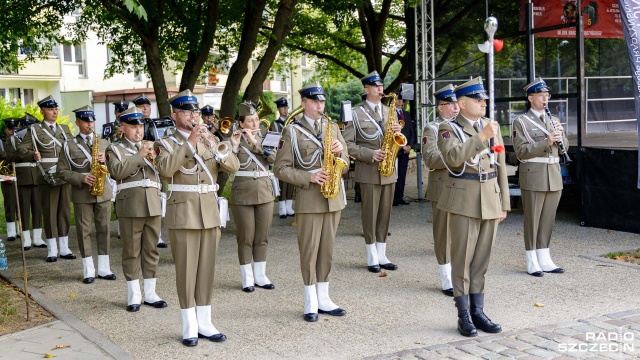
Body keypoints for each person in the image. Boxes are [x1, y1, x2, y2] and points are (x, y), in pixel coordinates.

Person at [155, 89, 240, 346]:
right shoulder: (165, 142)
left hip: (209, 212)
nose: (193, 115)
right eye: (186, 111)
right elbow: (167, 170)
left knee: (206, 270)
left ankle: (205, 321)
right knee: (186, 271)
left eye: (195, 111)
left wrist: (219, 147)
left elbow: (233, 167)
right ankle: (189, 324)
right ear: (174, 115)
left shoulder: (209, 139)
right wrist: (190, 142)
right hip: (184, 212)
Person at [437, 77, 510, 337]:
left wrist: (504, 203)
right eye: (477, 99)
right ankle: (463, 314)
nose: (483, 103)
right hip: (464, 199)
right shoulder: (448, 129)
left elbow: (499, 164)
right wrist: (481, 137)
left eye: (484, 99)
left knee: (481, 260)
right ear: (462, 103)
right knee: (462, 260)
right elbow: (454, 159)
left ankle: (478, 311)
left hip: (490, 197)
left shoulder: (492, 127)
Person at [274, 83, 349, 322]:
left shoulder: (332, 126)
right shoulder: (292, 131)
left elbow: (347, 160)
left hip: (333, 197)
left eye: (322, 102)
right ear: (304, 103)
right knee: (309, 250)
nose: (320, 106)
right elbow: (281, 169)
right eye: (315, 102)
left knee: (327, 249)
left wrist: (340, 153)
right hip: (309, 198)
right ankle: (310, 299)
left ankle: (324, 297)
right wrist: (309, 176)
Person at [106, 106, 167, 312]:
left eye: (140, 125)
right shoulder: (114, 149)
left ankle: (150, 293)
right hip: (130, 206)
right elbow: (117, 171)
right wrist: (140, 156)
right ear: (122, 128)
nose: (138, 130)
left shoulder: (152, 146)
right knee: (132, 251)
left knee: (151, 251)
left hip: (153, 204)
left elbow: (163, 174)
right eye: (133, 126)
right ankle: (134, 295)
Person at [343, 70, 400, 273]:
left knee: (385, 213)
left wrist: (397, 134)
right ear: (366, 89)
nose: (380, 89)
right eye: (376, 86)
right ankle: (371, 255)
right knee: (370, 213)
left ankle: (382, 253)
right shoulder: (355, 114)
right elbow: (347, 144)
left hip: (388, 170)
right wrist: (369, 153)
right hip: (368, 169)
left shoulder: (389, 112)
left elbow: (397, 141)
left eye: (381, 86)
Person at [512, 78, 568, 277]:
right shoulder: (521, 122)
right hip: (534, 175)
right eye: (542, 96)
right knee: (533, 219)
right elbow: (521, 152)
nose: (546, 99)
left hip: (553, 175)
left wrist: (561, 137)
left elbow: (564, 148)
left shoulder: (553, 119)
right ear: (530, 98)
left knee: (548, 219)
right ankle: (531, 259)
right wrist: (546, 141)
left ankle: (544, 257)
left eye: (547, 96)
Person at [58, 106, 116, 284]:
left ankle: (104, 268)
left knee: (104, 229)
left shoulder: (105, 142)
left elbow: (115, 166)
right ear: (77, 123)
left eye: (91, 121)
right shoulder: (68, 145)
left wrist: (105, 161)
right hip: (82, 193)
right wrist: (81, 178)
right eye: (85, 121)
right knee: (84, 231)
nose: (89, 124)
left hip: (103, 192)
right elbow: (61, 171)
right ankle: (88, 269)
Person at [18, 95, 75, 263]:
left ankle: (64, 247)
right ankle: (52, 248)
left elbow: (72, 148)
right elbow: (21, 149)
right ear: (42, 111)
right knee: (49, 211)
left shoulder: (64, 129)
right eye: (50, 109)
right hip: (46, 175)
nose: (54, 112)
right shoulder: (35, 129)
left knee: (64, 210)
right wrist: (31, 154)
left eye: (56, 109)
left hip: (64, 173)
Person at [230, 101, 277, 292]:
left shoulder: (268, 136)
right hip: (242, 192)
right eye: (250, 121)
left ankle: (261, 275)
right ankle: (247, 277)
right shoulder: (232, 139)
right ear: (241, 123)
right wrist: (233, 147)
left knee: (262, 236)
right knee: (246, 236)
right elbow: (227, 165)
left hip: (265, 190)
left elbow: (273, 158)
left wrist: (255, 143)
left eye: (256, 119)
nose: (255, 124)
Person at [422, 84, 459, 297]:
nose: (455, 108)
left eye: (457, 103)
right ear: (440, 107)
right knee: (443, 233)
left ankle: (460, 272)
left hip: (462, 185)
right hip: (442, 186)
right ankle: (446, 277)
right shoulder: (432, 128)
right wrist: (456, 156)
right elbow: (431, 159)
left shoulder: (462, 127)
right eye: (450, 104)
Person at [9, 114, 45, 250]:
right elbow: (9, 156)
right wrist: (28, 154)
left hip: (36, 176)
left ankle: (37, 238)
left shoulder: (37, 138)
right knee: (23, 210)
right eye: (26, 125)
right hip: (23, 177)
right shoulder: (13, 140)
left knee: (37, 209)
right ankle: (26, 239)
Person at [271, 97, 295, 218]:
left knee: (291, 180)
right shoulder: (275, 124)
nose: (285, 110)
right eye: (283, 108)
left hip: (292, 153)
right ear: (279, 109)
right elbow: (277, 138)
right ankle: (281, 207)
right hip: (281, 154)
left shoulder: (293, 122)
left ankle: (289, 206)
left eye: (286, 107)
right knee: (282, 179)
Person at [392, 88, 416, 206]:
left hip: (406, 151)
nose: (400, 101)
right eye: (398, 99)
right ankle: (392, 198)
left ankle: (399, 197)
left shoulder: (406, 114)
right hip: (395, 151)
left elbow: (411, 132)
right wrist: (402, 147)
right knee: (394, 175)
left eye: (401, 99)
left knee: (402, 175)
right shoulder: (390, 114)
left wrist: (409, 146)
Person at [1, 118, 20, 242]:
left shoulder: (20, 141)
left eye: (15, 129)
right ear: (5, 130)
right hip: (6, 176)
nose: (13, 131)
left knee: (21, 205)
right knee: (10, 204)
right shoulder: (1, 142)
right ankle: (11, 232)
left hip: (21, 176)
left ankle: (20, 230)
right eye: (10, 129)